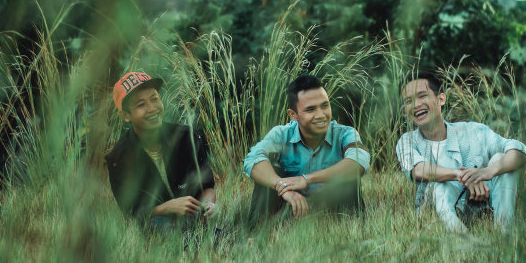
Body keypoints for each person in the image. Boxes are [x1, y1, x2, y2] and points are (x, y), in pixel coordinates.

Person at [396, 71, 526, 232]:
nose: (416, 105)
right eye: (408, 101)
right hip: (440, 211)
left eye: (422, 96)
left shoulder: (473, 130)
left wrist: (487, 172)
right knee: (439, 185)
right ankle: (461, 239)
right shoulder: (407, 141)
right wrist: (462, 175)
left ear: (441, 99)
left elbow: (520, 153)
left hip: (482, 202)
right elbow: (417, 170)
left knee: (501, 158)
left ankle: (505, 231)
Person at [243, 74, 370, 221]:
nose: (321, 115)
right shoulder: (282, 134)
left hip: (335, 213)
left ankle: (351, 232)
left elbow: (359, 161)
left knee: (348, 173)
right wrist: (280, 185)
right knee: (268, 174)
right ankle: (257, 235)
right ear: (293, 115)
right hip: (293, 212)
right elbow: (252, 159)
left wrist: (306, 179)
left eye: (325, 106)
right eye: (311, 110)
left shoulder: (345, 134)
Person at [105, 71, 217, 229]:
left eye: (154, 99)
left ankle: (217, 238)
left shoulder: (187, 137)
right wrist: (169, 207)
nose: (152, 108)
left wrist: (209, 205)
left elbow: (207, 186)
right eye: (141, 105)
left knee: (198, 230)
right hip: (156, 224)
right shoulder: (119, 157)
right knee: (160, 226)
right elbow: (131, 212)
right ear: (125, 115)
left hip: (193, 218)